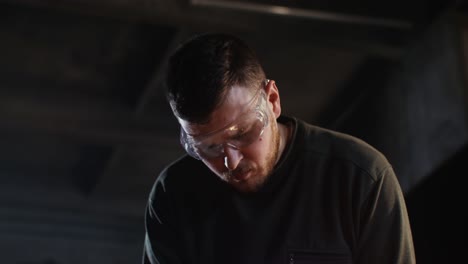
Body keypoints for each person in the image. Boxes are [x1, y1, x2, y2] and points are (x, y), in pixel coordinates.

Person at [142, 32, 416, 264]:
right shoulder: (173, 196)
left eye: (244, 134)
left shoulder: (359, 178)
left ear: (272, 100)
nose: (231, 162)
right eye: (209, 148)